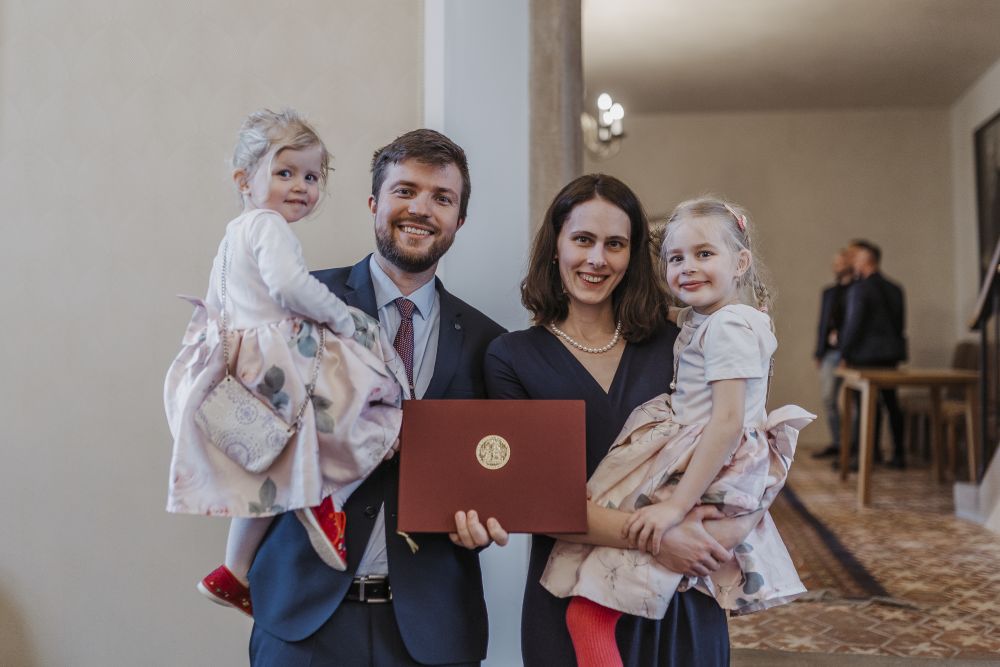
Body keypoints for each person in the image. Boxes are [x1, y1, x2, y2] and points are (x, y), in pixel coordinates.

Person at [485, 180, 802, 667]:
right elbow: (531, 499)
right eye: (582, 240)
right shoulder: (512, 357)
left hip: (681, 596)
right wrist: (661, 536)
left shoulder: (679, 337)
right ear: (555, 247)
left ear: (632, 257)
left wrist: (722, 528)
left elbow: (742, 444)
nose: (596, 259)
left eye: (615, 244)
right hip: (575, 593)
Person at [247, 129, 507, 667]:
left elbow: (489, 472)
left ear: (460, 220)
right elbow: (247, 430)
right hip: (302, 620)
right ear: (373, 203)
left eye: (442, 198)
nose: (421, 209)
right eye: (405, 190)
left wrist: (485, 522)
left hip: (432, 629)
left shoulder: (491, 345)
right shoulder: (301, 304)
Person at [164, 109, 402, 616]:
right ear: (244, 181)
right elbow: (290, 287)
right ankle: (323, 499)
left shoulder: (232, 236)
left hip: (237, 370)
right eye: (284, 172)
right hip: (276, 364)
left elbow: (220, 308)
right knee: (376, 398)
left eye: (312, 177)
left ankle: (233, 570)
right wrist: (341, 318)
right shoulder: (269, 226)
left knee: (263, 482)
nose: (300, 186)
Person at [839, 239, 908, 469]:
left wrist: (845, 353)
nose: (854, 264)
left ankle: (868, 455)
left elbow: (854, 325)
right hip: (891, 355)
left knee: (867, 407)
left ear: (867, 261)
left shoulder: (860, 289)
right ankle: (899, 454)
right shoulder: (896, 288)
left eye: (857, 259)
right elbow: (899, 324)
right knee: (891, 403)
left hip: (865, 357)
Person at [812, 248, 854, 459]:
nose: (835, 266)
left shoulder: (858, 290)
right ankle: (838, 444)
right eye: (834, 263)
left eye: (840, 262)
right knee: (829, 399)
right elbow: (822, 324)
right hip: (829, 353)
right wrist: (818, 352)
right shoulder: (829, 292)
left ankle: (854, 446)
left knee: (853, 403)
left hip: (851, 355)